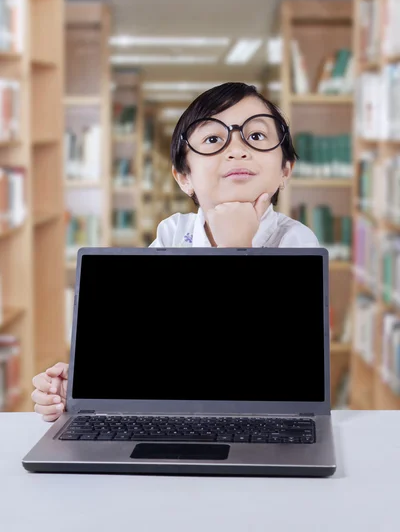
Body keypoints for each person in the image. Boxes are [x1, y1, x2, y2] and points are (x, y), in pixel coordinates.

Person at [31, 81, 320, 421]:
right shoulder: (172, 234)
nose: (237, 150)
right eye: (213, 139)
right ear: (184, 177)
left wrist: (236, 250)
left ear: (285, 170)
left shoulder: (297, 243)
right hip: (180, 416)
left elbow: (272, 367)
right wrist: (85, 389)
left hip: (266, 422)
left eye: (256, 136)